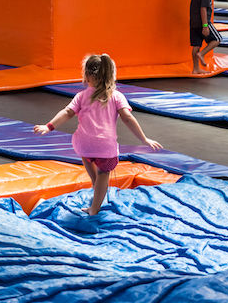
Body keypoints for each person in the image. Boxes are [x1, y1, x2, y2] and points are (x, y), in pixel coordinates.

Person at [34, 54, 162, 215]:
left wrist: (49, 126)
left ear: (87, 76)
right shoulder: (116, 96)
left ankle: (95, 183)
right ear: (110, 75)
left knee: (86, 152)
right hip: (104, 147)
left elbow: (67, 112)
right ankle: (94, 208)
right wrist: (144, 138)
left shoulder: (81, 96)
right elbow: (128, 118)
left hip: (83, 144)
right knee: (103, 173)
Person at [191, 0, 221, 75]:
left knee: (196, 45)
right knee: (217, 39)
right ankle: (202, 54)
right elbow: (203, 9)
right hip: (203, 23)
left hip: (194, 23)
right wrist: (205, 26)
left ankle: (195, 68)